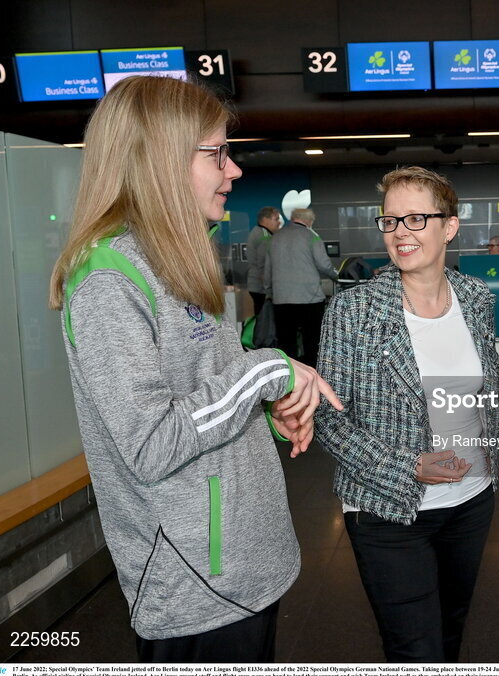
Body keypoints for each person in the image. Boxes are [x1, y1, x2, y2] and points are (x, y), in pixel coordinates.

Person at [47, 76, 342, 662]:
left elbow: (204, 390)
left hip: (245, 563)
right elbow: (153, 442)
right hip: (195, 587)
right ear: (159, 161)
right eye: (217, 153)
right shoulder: (108, 280)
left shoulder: (178, 256)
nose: (232, 170)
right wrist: (270, 372)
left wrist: (266, 415)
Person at [315, 166, 499, 662]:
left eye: (417, 218)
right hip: (388, 509)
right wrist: (409, 466)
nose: (401, 232)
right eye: (391, 220)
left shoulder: (477, 300)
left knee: (449, 635)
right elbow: (328, 418)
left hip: (471, 500)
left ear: (450, 226)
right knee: (413, 648)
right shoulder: (353, 312)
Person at [264, 207, 337, 365]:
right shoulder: (311, 236)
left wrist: (269, 292)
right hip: (309, 299)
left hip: (281, 300)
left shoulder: (275, 238)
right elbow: (324, 264)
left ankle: (289, 379)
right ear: (308, 221)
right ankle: (312, 377)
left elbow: (267, 270)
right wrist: (336, 276)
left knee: (286, 342)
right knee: (311, 341)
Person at [246, 206, 281, 316]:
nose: (279, 223)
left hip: (257, 286)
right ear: (265, 220)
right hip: (261, 288)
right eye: (276, 219)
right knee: (264, 322)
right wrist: (269, 291)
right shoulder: (264, 236)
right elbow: (264, 266)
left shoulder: (259, 232)